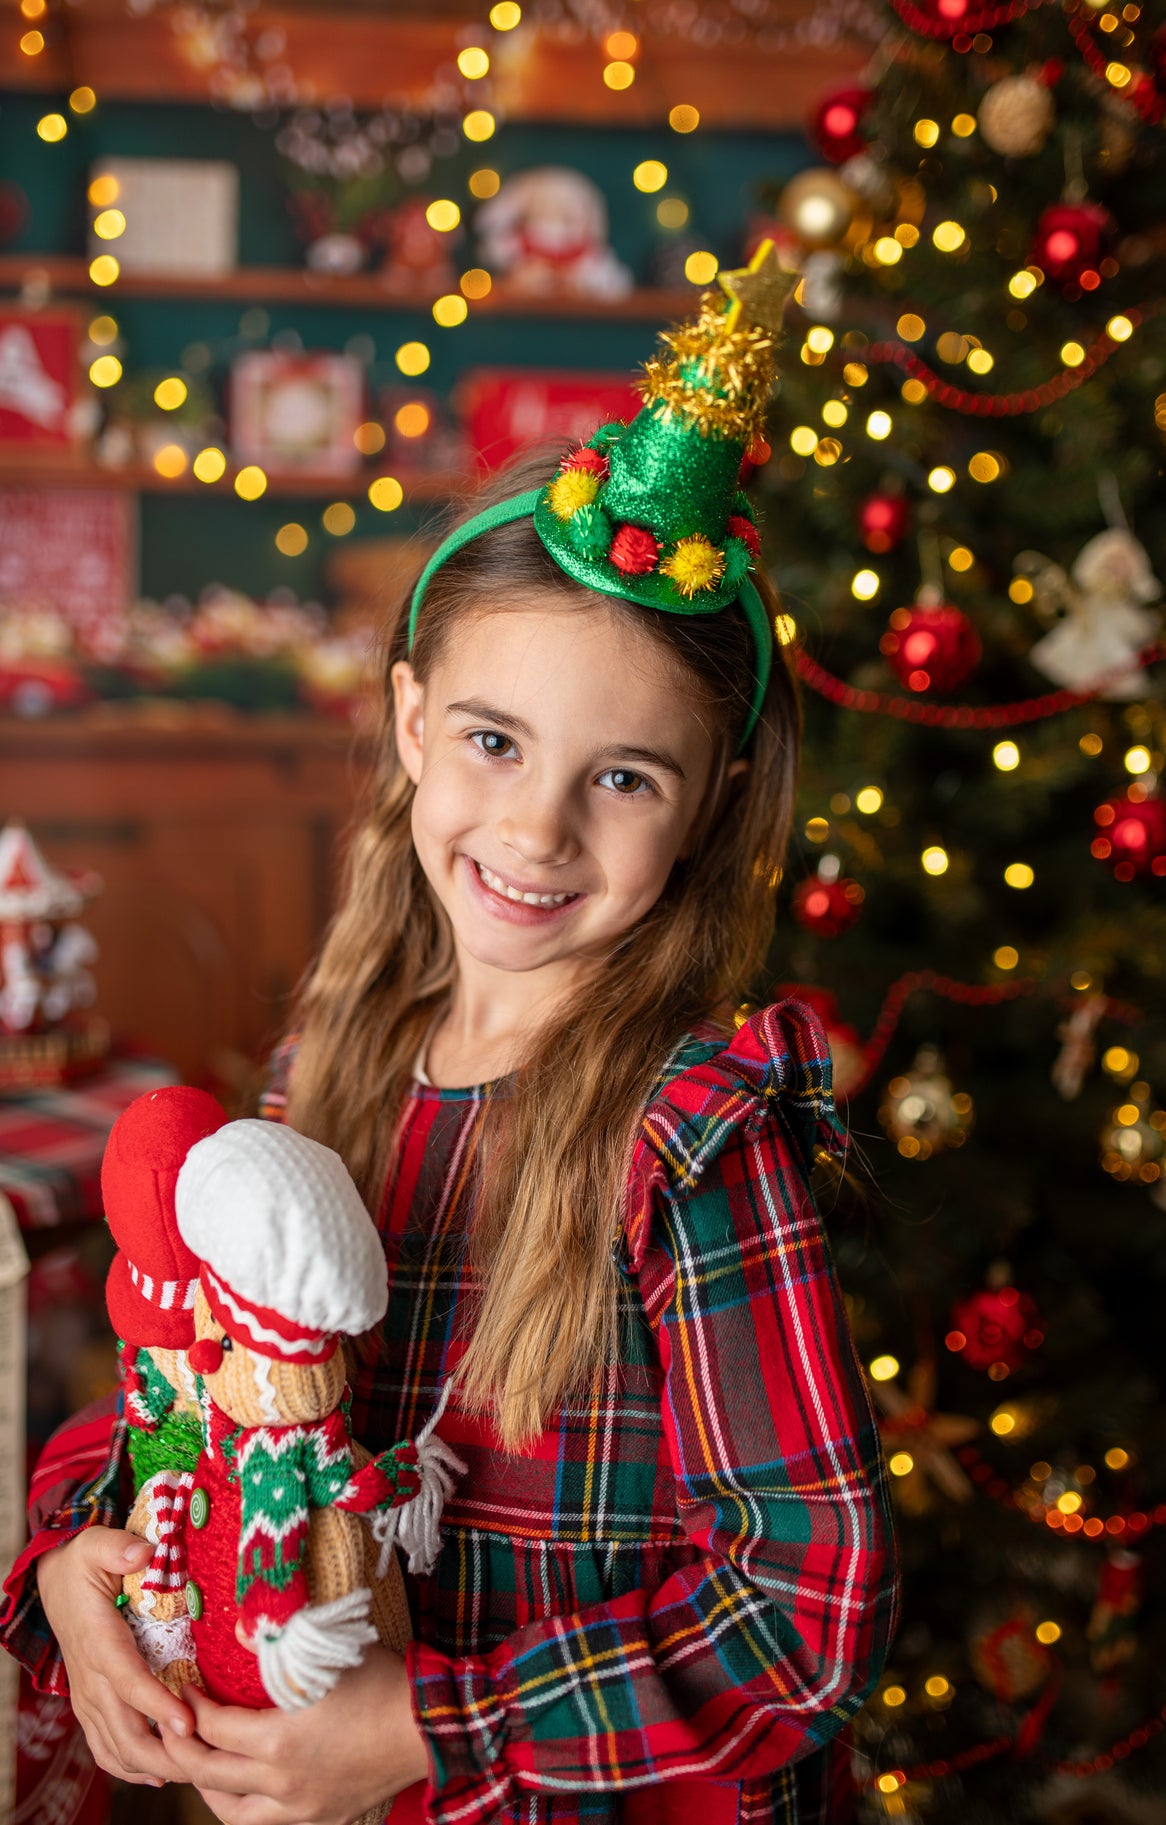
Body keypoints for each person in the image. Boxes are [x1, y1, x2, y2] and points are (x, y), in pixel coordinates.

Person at [2, 243, 897, 1824]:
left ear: (699, 816)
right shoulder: (331, 1066)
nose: (536, 828)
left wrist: (437, 1728)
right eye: (494, 741)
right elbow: (176, 1386)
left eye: (622, 776)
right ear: (415, 725)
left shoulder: (692, 1129)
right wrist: (77, 1559)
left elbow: (803, 1610)